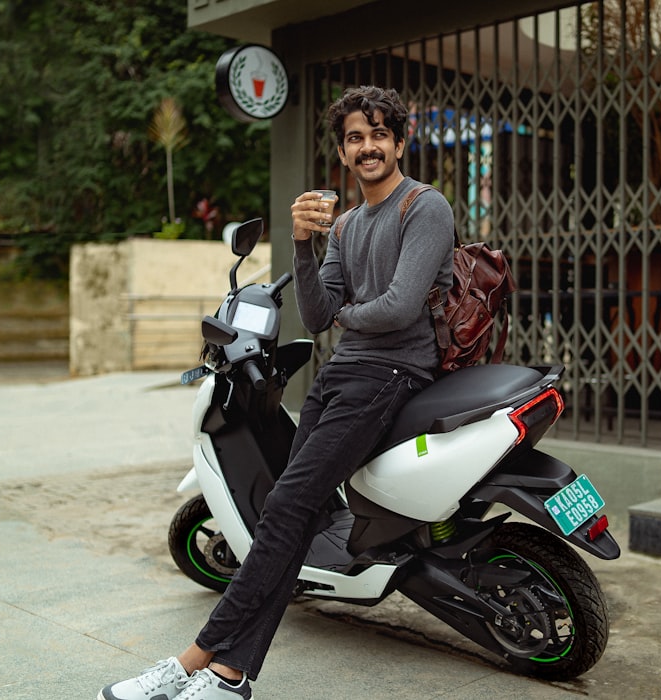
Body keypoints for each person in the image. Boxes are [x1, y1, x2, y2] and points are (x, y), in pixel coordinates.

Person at [97, 85, 455, 700]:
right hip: (340, 375)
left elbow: (398, 309)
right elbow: (315, 316)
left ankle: (195, 660)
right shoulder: (343, 226)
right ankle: (229, 677)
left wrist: (350, 312)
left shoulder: (424, 207)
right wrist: (301, 242)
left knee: (284, 510)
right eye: (353, 138)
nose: (366, 147)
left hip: (393, 374)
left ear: (400, 141)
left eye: (377, 134)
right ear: (342, 153)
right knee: (290, 519)